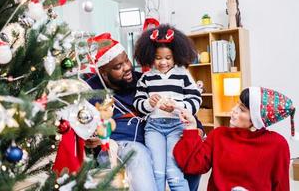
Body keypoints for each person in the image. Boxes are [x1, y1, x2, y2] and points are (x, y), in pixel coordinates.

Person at [84, 32, 203, 191]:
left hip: (157, 135)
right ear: (103, 73)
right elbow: (79, 123)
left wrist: (198, 129)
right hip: (119, 146)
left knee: (191, 156)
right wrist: (93, 138)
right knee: (138, 153)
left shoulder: (144, 80)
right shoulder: (90, 90)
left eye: (126, 60)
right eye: (118, 67)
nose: (127, 68)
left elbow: (184, 107)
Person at [174, 87, 296, 191]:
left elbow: (281, 186)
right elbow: (193, 166)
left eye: (242, 109)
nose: (234, 110)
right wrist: (191, 128)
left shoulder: (277, 144)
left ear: (256, 119)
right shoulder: (219, 135)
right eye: (237, 105)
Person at [133, 24, 202, 191]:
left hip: (176, 127)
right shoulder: (146, 78)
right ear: (150, 56)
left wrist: (177, 106)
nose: (163, 62)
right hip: (153, 128)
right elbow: (138, 103)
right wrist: (149, 103)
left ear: (176, 56)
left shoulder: (183, 74)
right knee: (156, 173)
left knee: (174, 173)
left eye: (168, 57)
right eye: (158, 58)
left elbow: (195, 99)